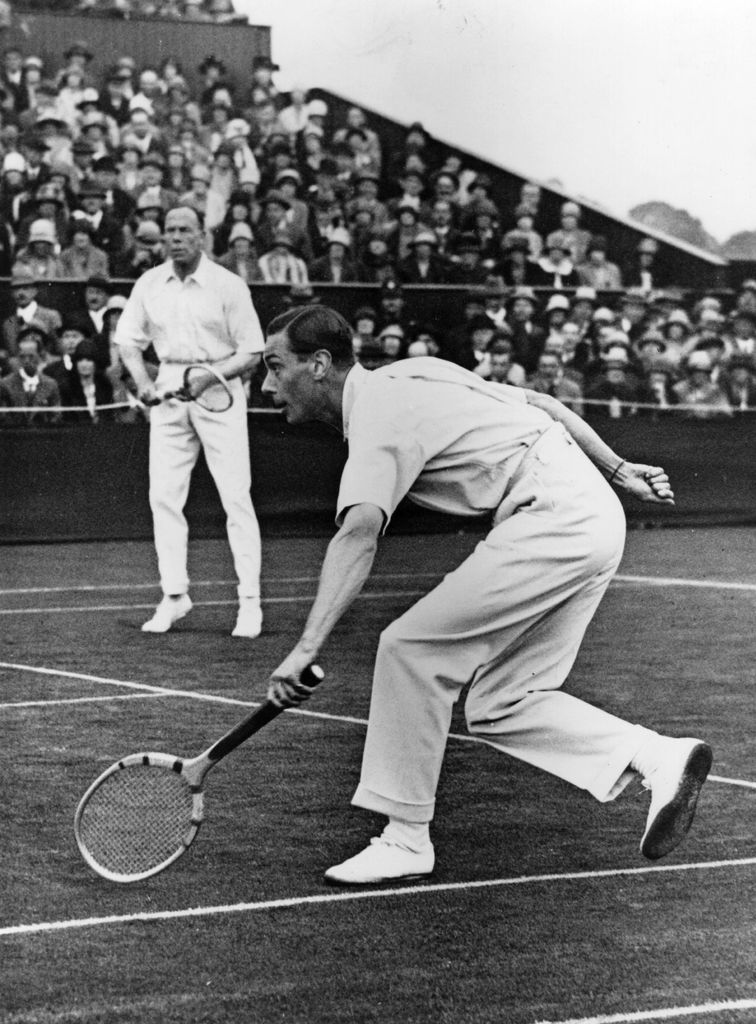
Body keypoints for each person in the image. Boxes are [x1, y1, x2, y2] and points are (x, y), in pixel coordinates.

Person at [259, 304, 712, 885]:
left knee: (409, 648)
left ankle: (404, 837)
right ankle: (657, 757)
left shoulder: (376, 418)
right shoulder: (413, 372)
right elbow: (544, 405)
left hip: (551, 515)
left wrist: (305, 647)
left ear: (319, 364)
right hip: (592, 513)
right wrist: (617, 469)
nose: (269, 386)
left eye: (275, 367)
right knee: (502, 702)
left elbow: (358, 533)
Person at [115, 206, 265, 638]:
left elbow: (251, 350)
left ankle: (249, 603)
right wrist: (143, 380)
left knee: (235, 497)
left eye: (185, 230)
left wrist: (206, 380)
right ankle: (175, 596)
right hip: (167, 387)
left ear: (202, 236)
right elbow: (128, 341)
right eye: (170, 231)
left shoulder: (227, 285)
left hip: (218, 385)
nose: (176, 238)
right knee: (163, 495)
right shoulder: (150, 283)